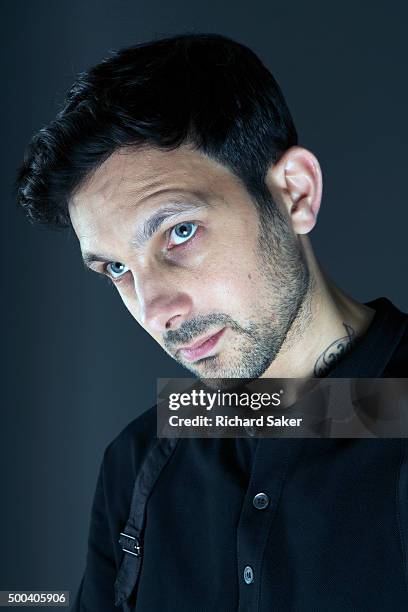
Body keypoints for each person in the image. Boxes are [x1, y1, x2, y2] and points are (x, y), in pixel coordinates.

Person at [16, 33, 408, 611]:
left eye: (179, 231)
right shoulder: (136, 463)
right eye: (117, 267)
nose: (154, 310)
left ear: (295, 195)